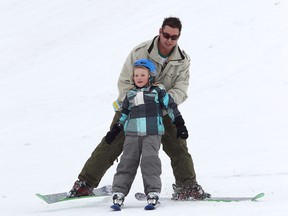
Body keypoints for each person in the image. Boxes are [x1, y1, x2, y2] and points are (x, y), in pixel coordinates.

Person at [68, 16, 210, 200]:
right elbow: (125, 81)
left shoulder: (182, 60)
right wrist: (138, 100)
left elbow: (181, 88)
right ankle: (85, 184)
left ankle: (187, 186)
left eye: (173, 37)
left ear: (178, 37)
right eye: (166, 35)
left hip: (162, 110)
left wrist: (162, 102)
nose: (169, 40)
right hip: (132, 108)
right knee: (111, 143)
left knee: (178, 147)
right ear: (160, 31)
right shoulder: (140, 51)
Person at [107, 59, 188, 208]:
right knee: (127, 162)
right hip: (132, 134)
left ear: (150, 76)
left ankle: (152, 192)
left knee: (150, 162)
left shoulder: (157, 92)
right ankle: (119, 192)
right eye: (136, 75)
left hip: (152, 134)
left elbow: (171, 107)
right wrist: (115, 129)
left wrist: (179, 123)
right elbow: (123, 113)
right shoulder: (130, 94)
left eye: (142, 75)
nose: (139, 78)